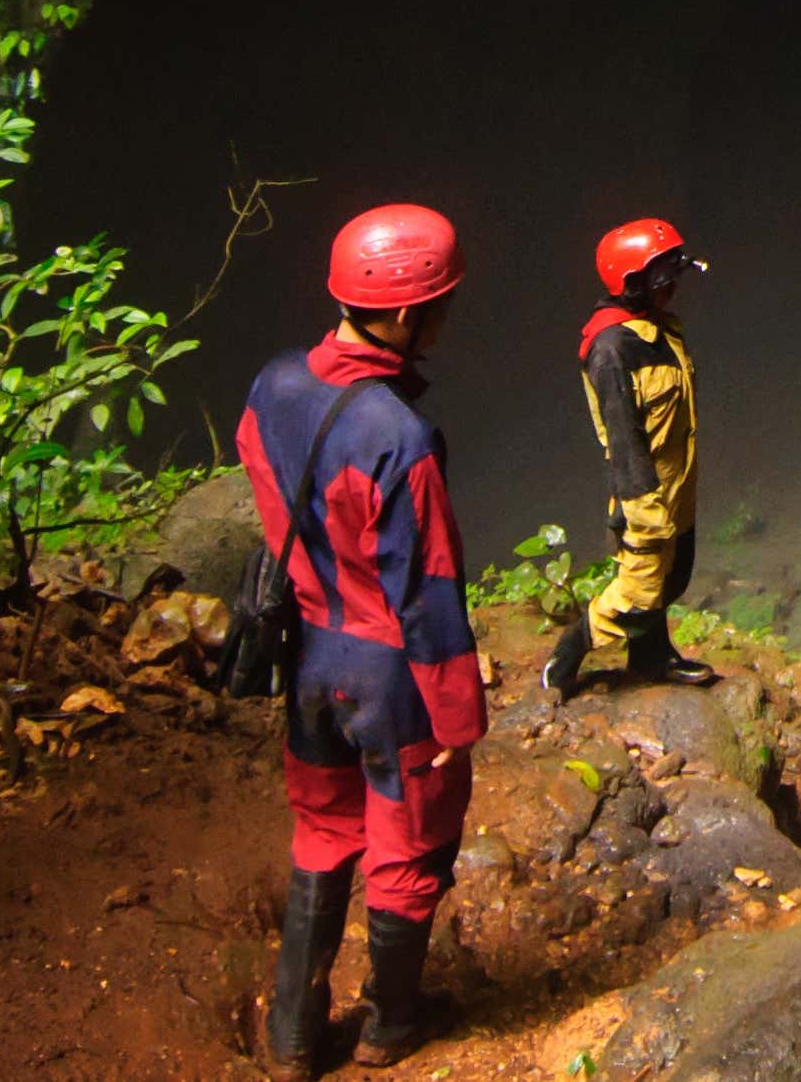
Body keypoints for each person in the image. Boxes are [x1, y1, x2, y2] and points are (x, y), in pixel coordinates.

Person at [237, 203, 485, 1073]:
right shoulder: (399, 438)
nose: (445, 320)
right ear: (408, 313)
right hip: (387, 675)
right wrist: (458, 721)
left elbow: (269, 494)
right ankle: (388, 1024)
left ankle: (292, 1036)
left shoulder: (272, 385)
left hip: (309, 651)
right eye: (441, 306)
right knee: (407, 840)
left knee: (321, 829)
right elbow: (428, 590)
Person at [548, 217, 719, 699]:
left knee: (673, 577)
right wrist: (644, 510)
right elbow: (624, 442)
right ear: (633, 283)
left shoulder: (658, 330)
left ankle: (651, 656)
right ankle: (571, 650)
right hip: (644, 491)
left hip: (676, 481)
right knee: (639, 592)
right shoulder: (612, 349)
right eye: (663, 280)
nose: (673, 289)